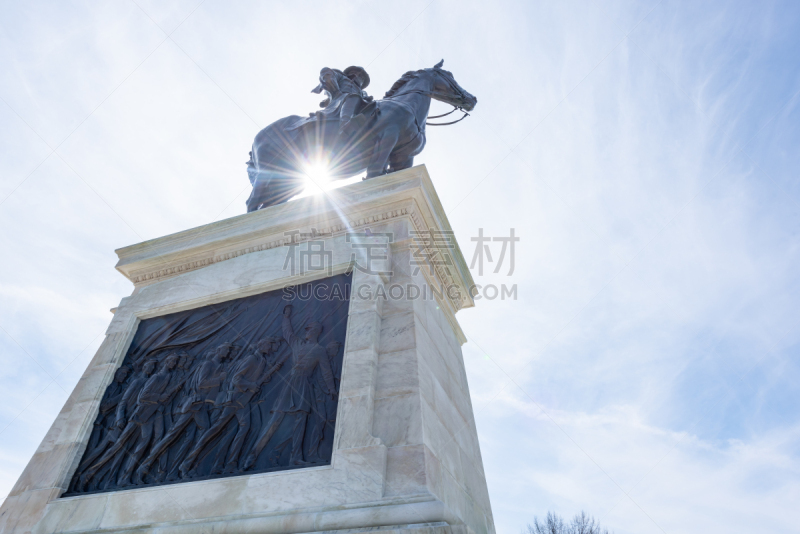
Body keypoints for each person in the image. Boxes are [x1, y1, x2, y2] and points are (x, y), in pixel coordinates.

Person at [242, 305, 337, 469]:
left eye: (309, 329)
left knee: (301, 422)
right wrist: (286, 317)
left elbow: (326, 372)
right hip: (291, 383)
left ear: (315, 331)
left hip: (305, 384)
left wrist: (332, 389)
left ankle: (295, 458)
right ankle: (252, 456)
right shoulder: (297, 343)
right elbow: (287, 333)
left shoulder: (320, 350)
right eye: (306, 329)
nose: (306, 331)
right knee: (275, 420)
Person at [175, 337, 286, 477]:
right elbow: (237, 379)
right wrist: (251, 385)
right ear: (263, 345)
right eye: (269, 345)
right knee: (215, 430)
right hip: (234, 399)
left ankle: (231, 464)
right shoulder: (251, 359)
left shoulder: (262, 361)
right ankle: (187, 463)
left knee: (246, 427)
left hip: (243, 401)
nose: (271, 349)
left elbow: (258, 380)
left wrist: (270, 372)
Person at [77, 354, 180, 490]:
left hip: (145, 417)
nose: (152, 368)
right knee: (115, 448)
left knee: (132, 449)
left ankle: (120, 479)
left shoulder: (156, 379)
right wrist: (120, 418)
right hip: (129, 419)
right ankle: (87, 475)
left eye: (154, 366)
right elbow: (125, 402)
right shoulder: (138, 382)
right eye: (150, 365)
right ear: (144, 366)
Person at [134, 343, 234, 482]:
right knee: (173, 436)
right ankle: (143, 468)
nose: (228, 351)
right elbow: (201, 384)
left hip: (202, 406)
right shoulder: (207, 364)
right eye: (226, 349)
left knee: (194, 438)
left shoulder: (217, 366)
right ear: (218, 350)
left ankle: (181, 469)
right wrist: (219, 379)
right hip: (194, 405)